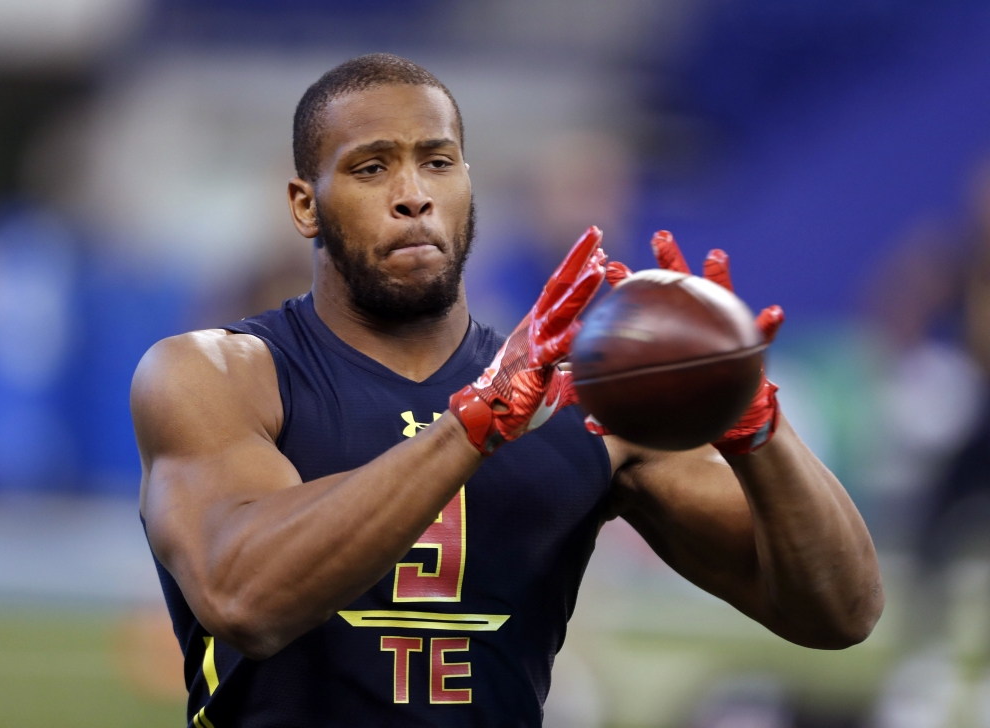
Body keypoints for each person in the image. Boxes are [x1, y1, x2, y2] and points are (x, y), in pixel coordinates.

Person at [131, 54, 883, 728]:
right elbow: (244, 601)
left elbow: (842, 612)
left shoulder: (589, 402)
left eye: (438, 162)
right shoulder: (218, 374)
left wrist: (757, 425)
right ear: (305, 205)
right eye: (370, 168)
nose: (412, 195)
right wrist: (472, 426)